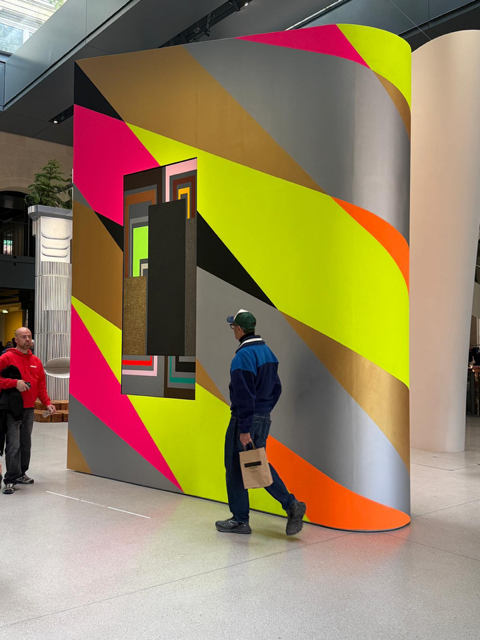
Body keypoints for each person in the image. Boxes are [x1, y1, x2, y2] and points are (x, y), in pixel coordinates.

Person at [215, 309, 306, 536]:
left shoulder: (242, 357)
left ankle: (240, 520)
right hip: (263, 417)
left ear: (239, 329)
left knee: (235, 468)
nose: (233, 331)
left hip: (244, 420)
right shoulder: (268, 353)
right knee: (256, 463)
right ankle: (291, 504)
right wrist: (263, 412)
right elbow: (277, 388)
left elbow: (243, 396)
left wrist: (245, 428)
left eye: (233, 327)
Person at [0, 327, 56, 494]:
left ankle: (21, 473)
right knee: (13, 445)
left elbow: (40, 385)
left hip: (29, 409)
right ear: (16, 340)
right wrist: (14, 383)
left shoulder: (36, 361)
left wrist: (47, 403)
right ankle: (10, 479)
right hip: (12, 409)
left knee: (25, 444)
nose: (27, 340)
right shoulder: (6, 358)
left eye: (29, 337)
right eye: (23, 337)